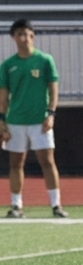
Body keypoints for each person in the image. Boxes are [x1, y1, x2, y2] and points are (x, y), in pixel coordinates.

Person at [0, 19, 67, 218]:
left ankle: (56, 205)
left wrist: (51, 113)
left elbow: (53, 89)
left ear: (33, 36)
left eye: (28, 34)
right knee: (16, 164)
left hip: (40, 121)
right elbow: (3, 95)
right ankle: (16, 206)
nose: (24, 38)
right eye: (20, 34)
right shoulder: (8, 65)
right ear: (13, 37)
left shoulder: (45, 60)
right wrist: (2, 121)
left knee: (47, 162)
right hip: (15, 121)